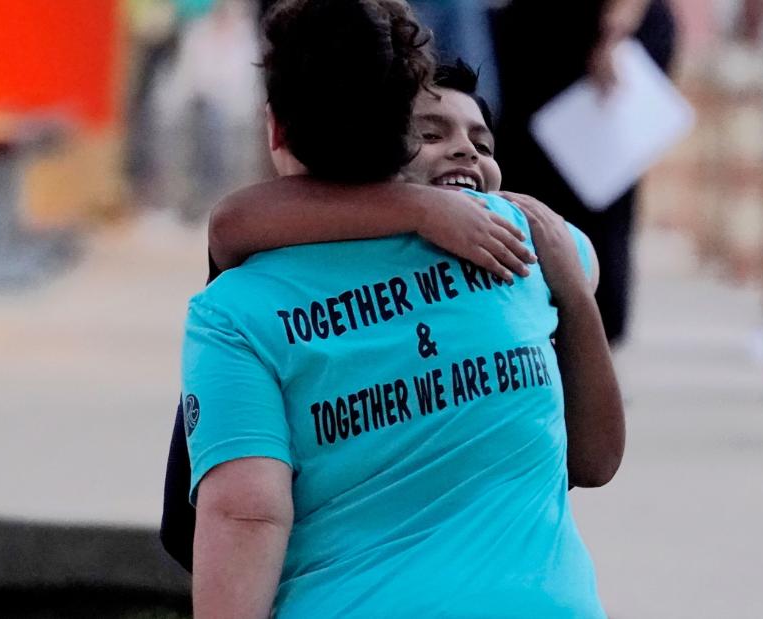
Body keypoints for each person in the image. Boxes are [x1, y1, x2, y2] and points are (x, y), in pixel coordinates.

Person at [183, 2, 622, 613]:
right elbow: (582, 266)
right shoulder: (518, 244)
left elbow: (247, 511)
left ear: (275, 128)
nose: (465, 154)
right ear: (402, 133)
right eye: (433, 131)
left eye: (479, 140)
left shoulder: (234, 310)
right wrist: (428, 211)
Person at [494, 0, 677, 346]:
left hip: (589, 40)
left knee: (587, 201)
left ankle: (588, 348)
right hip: (538, 37)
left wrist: (613, 33)